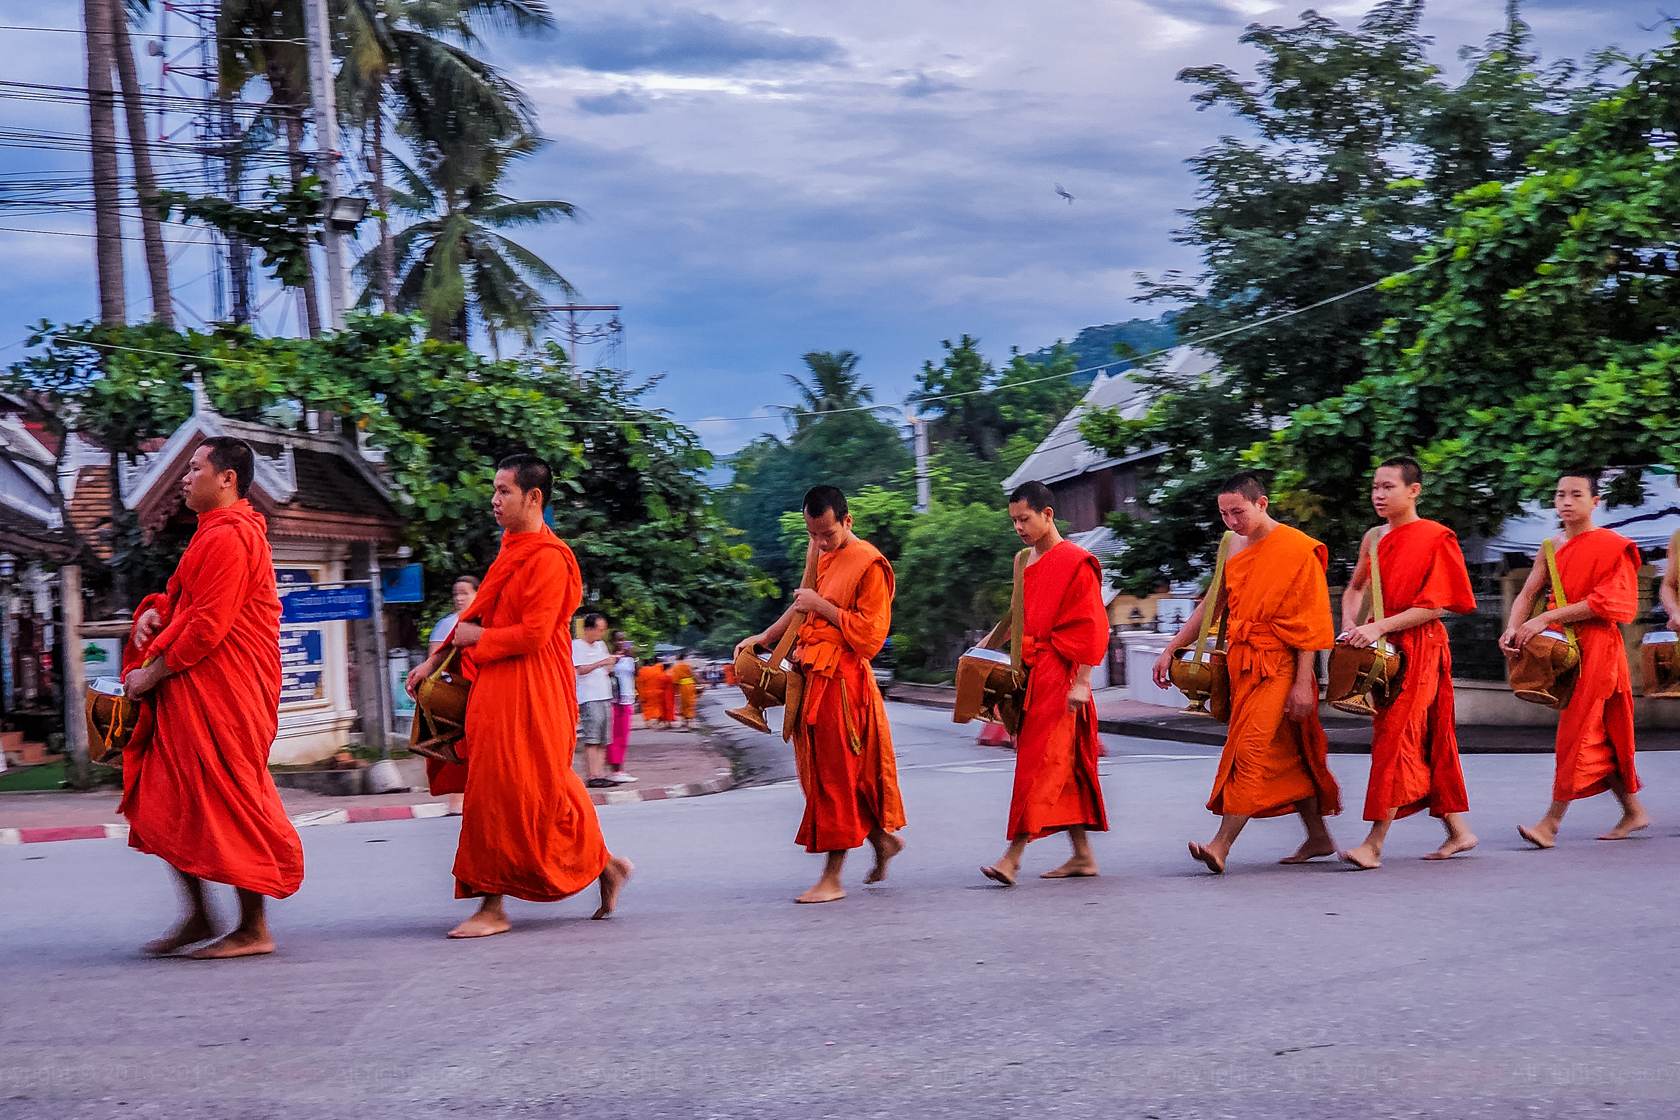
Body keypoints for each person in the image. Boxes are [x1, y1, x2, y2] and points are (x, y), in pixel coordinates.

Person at [406, 455, 631, 938]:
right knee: (517, 787)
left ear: (534, 498)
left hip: (534, 688)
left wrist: (474, 643)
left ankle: (494, 905)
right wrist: (433, 661)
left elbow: (531, 634)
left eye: (504, 491)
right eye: (494, 490)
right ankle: (605, 865)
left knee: (521, 788)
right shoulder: (511, 550)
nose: (494, 499)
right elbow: (480, 615)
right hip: (495, 687)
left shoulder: (550, 557)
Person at [119, 437, 303, 959]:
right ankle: (199, 913)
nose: (184, 476)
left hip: (225, 690)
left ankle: (253, 926)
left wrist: (150, 674)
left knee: (230, 800)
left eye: (195, 467)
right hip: (196, 688)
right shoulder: (210, 535)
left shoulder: (231, 537)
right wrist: (156, 613)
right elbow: (183, 605)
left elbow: (207, 628)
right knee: (170, 797)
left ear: (226, 478)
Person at [1152, 472, 1341, 873]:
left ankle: (1220, 845)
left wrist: (1305, 684)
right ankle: (1318, 835)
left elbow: (1310, 622)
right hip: (1241, 664)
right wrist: (1172, 647)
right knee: (1287, 752)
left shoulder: (1298, 549)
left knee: (1249, 751)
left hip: (1280, 665)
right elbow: (1212, 605)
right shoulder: (1230, 544)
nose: (1232, 521)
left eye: (1238, 511)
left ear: (1262, 503)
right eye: (1224, 514)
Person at [735, 485, 906, 903]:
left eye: (827, 534)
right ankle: (882, 841)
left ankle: (833, 877)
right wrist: (764, 637)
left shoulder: (869, 563)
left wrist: (823, 606)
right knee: (823, 776)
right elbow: (800, 608)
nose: (821, 542)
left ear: (847, 521)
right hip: (811, 675)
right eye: (813, 534)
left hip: (844, 684)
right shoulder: (818, 554)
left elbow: (869, 637)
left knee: (836, 777)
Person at [1337, 457, 1478, 868]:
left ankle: (1374, 844)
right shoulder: (1373, 538)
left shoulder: (1437, 537)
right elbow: (1354, 588)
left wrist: (1378, 626)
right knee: (1420, 737)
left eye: (1388, 487)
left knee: (1395, 738)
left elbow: (1435, 607)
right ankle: (1459, 831)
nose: (1378, 495)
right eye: (1375, 488)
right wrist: (1350, 623)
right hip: (1381, 651)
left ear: (1413, 491)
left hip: (1421, 646)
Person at [1501, 471, 1650, 847]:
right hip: (1560, 647)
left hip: (1598, 646)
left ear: (1595, 501)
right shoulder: (1551, 545)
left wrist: (1547, 617)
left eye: (1576, 495)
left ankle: (1550, 824)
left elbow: (1610, 603)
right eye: (1560, 495)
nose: (1566, 501)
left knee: (1578, 732)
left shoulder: (1615, 545)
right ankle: (1634, 811)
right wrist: (1513, 628)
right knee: (1600, 733)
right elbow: (1527, 592)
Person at [980, 481, 1110, 886]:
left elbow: (1092, 625)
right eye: (1014, 520)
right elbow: (1018, 615)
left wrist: (1082, 682)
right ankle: (1083, 856)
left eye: (1025, 519)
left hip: (1062, 672)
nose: (1018, 527)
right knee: (1061, 766)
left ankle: (1012, 858)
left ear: (1047, 514)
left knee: (1039, 764)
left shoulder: (1077, 561)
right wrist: (984, 650)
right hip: (1031, 671)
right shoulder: (1023, 560)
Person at [573, 613, 618, 789]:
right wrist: (601, 663)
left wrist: (610, 663)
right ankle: (592, 774)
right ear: (588, 629)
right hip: (589, 696)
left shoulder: (601, 645)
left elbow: (606, 667)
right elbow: (581, 669)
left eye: (603, 630)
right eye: (599, 630)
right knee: (592, 737)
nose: (601, 634)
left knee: (603, 737)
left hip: (604, 693)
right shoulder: (577, 646)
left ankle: (600, 772)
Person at [608, 633, 638, 783]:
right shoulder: (610, 658)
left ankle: (621, 767)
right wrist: (613, 660)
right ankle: (616, 769)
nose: (621, 643)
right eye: (618, 640)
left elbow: (634, 674)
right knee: (617, 735)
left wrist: (631, 654)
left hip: (628, 699)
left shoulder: (629, 659)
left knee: (624, 737)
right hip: (617, 701)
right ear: (612, 641)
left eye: (623, 640)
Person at [429, 575, 481, 657]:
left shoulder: (487, 620)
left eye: (465, 593)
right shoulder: (446, 624)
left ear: (478, 594)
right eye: (456, 594)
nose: (459, 598)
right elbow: (434, 656)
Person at [637, 657, 668, 728]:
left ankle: (650, 721)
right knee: (657, 706)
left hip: (646, 692)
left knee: (648, 707)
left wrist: (640, 695)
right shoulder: (658, 670)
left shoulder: (642, 671)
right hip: (658, 691)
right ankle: (656, 719)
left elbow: (640, 684)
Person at [670, 653, 698, 730]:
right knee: (691, 702)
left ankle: (685, 720)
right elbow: (694, 676)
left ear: (676, 659)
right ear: (684, 659)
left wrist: (674, 688)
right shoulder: (688, 666)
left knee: (683, 703)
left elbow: (675, 680)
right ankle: (690, 719)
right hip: (691, 685)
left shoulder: (676, 668)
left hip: (682, 687)